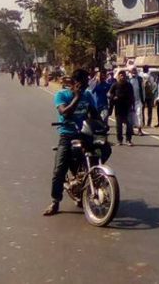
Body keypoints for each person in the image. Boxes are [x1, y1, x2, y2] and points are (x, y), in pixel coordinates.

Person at [42, 69, 109, 216]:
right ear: (74, 82)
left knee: (104, 150)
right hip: (67, 135)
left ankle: (86, 185)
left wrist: (101, 125)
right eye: (83, 83)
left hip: (84, 134)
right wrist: (77, 97)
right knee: (59, 170)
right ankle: (55, 201)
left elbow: (94, 113)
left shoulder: (88, 95)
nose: (86, 86)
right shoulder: (62, 95)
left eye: (87, 82)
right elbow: (65, 112)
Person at [108, 70, 135, 146]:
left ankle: (128, 140)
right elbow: (109, 94)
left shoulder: (129, 85)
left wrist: (133, 106)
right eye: (121, 75)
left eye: (123, 75)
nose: (122, 76)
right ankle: (119, 140)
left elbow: (132, 96)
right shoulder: (115, 85)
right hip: (119, 108)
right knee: (119, 126)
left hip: (128, 107)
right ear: (118, 76)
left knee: (129, 125)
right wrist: (113, 97)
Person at [129, 68, 146, 135]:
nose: (134, 73)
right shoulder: (128, 79)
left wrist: (143, 100)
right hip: (130, 101)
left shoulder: (140, 79)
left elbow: (143, 90)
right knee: (131, 116)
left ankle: (139, 130)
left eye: (135, 71)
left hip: (138, 100)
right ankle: (131, 130)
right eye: (132, 71)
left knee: (139, 114)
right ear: (130, 72)